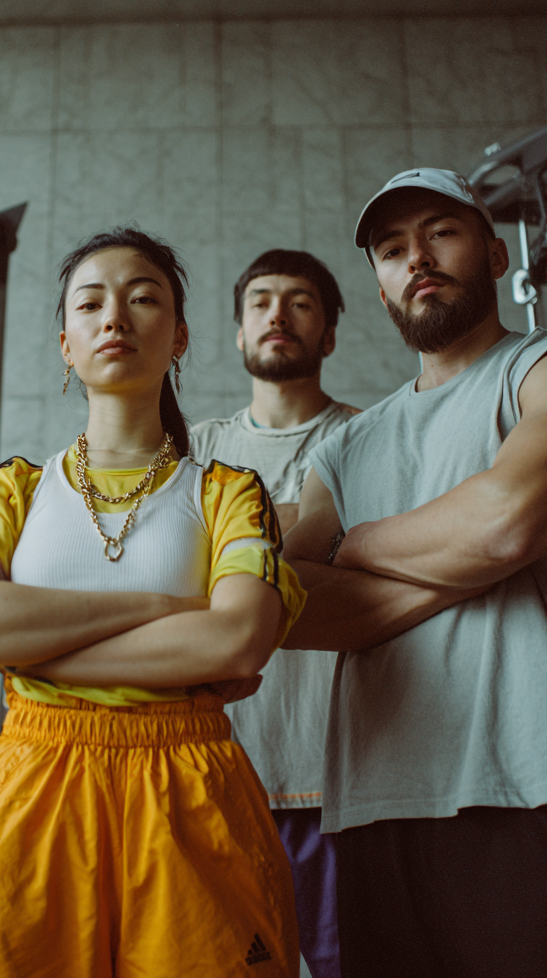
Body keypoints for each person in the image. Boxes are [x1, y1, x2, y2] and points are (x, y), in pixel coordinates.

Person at [0, 227, 307, 978]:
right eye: (90, 304)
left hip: (187, 788)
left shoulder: (228, 494)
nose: (114, 318)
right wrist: (162, 607)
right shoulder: (12, 490)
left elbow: (234, 644)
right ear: (67, 344)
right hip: (32, 786)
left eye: (143, 299)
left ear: (181, 337)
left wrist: (25, 637)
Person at [280, 168, 547, 978]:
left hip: (536, 784)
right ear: (377, 284)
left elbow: (511, 517)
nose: (417, 258)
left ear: (493, 247)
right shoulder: (344, 446)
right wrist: (480, 561)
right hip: (371, 806)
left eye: (440, 233)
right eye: (391, 248)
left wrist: (353, 545)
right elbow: (292, 605)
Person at [191, 249, 356, 978]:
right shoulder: (195, 450)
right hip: (221, 773)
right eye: (260, 301)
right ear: (237, 331)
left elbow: (377, 567)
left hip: (343, 782)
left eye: (300, 302)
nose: (277, 315)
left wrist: (224, 546)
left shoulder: (373, 436)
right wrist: (323, 536)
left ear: (328, 334)